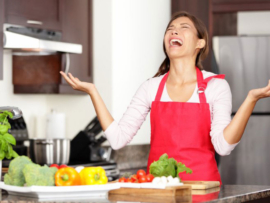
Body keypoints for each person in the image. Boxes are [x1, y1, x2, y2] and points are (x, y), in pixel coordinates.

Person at [60, 11, 270, 184]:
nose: (173, 31)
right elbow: (117, 139)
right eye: (170, 29)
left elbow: (223, 146)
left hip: (202, 190)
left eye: (183, 27)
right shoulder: (151, 87)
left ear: (200, 43)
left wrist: (251, 99)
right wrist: (93, 93)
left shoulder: (215, 86)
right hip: (159, 190)